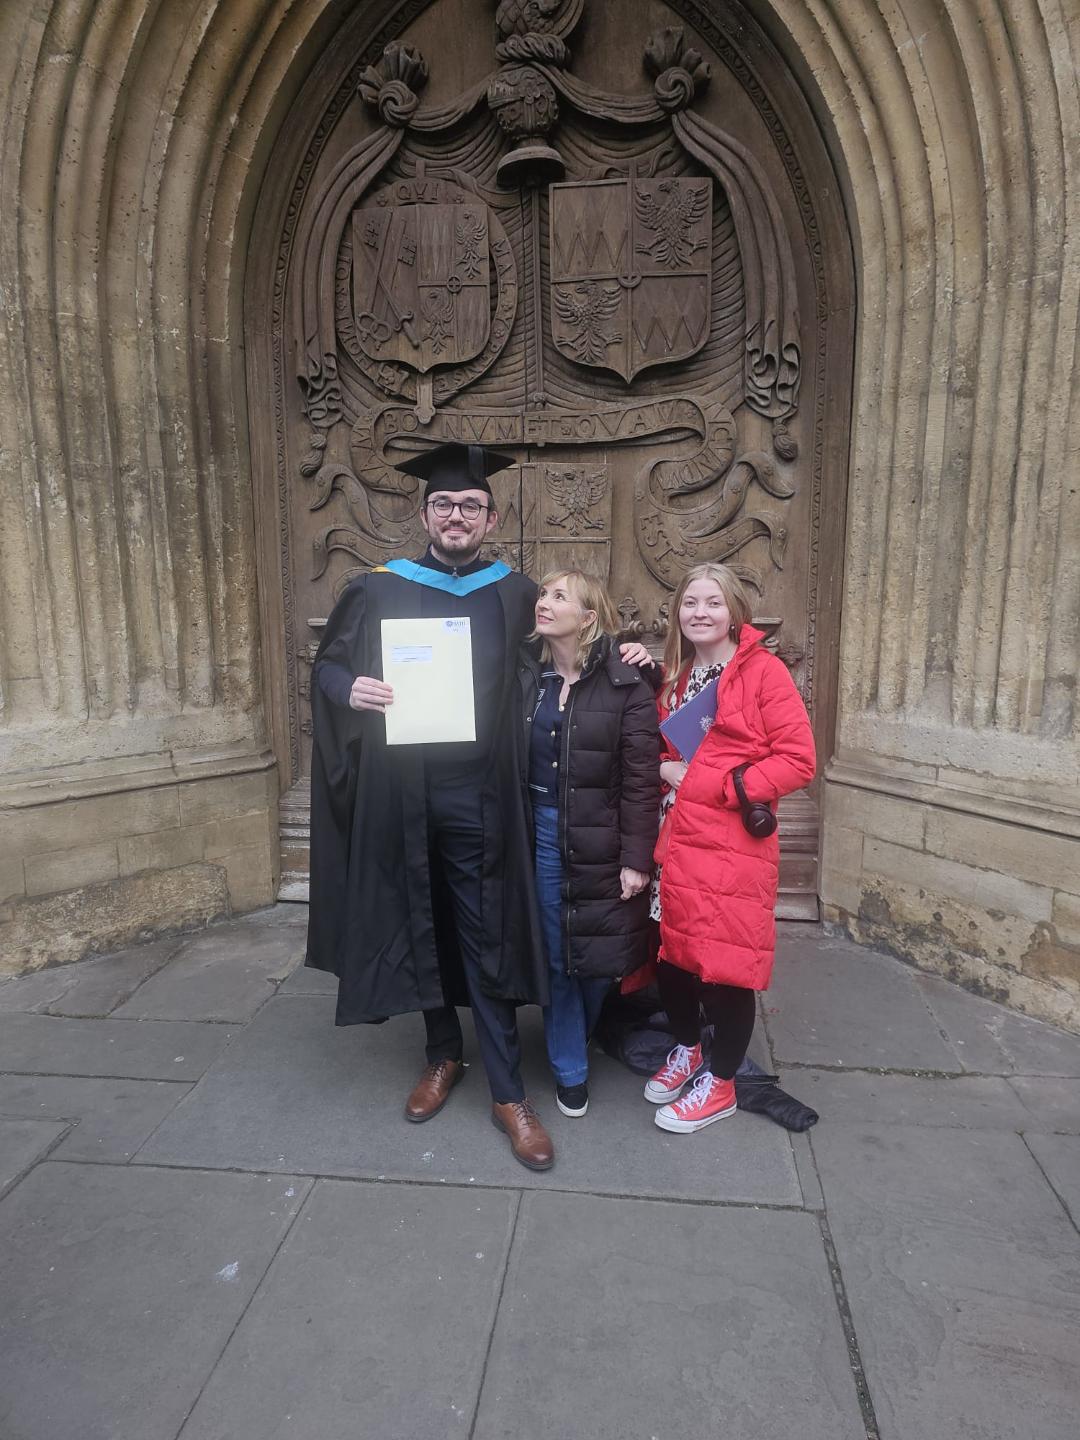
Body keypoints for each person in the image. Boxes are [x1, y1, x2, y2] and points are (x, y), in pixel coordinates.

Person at [305, 442, 652, 1171]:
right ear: (423, 512)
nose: (455, 515)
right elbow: (329, 665)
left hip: (485, 794)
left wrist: (628, 658)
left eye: (469, 505)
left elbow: (572, 649)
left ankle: (505, 1090)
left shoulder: (513, 591)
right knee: (420, 917)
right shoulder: (375, 589)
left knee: (486, 932)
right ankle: (440, 1054)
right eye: (443, 504)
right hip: (400, 792)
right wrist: (348, 690)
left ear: (491, 517)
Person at [643, 562, 816, 1134]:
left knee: (727, 965)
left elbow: (797, 761)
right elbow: (664, 750)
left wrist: (708, 782)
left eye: (712, 603)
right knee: (675, 956)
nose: (700, 612)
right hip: (675, 838)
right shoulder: (677, 676)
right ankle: (689, 1049)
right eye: (690, 602)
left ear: (734, 611)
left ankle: (720, 1086)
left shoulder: (763, 673)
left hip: (729, 844)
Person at [517, 570, 659, 1118]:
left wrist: (636, 859)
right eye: (543, 595)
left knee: (599, 960)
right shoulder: (526, 679)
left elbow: (641, 779)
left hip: (603, 836)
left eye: (558, 597)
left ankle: (582, 1024)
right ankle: (569, 1063)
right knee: (556, 953)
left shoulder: (627, 685)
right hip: (541, 832)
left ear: (590, 618)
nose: (544, 603)